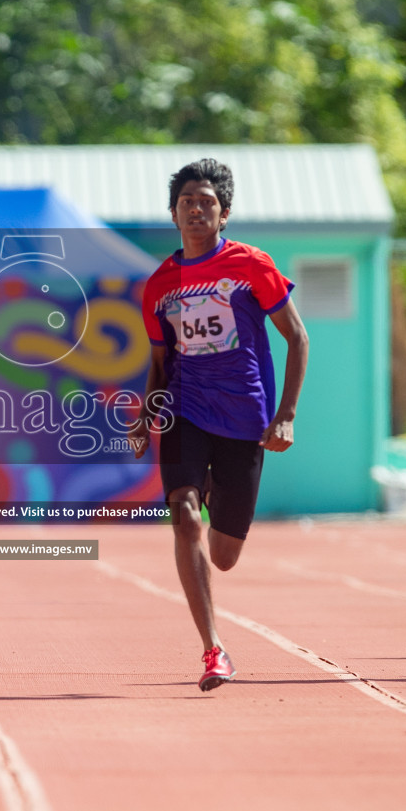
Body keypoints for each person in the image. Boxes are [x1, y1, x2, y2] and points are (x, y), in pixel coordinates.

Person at [130, 158, 309, 691]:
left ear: (223, 213)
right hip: (185, 411)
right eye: (187, 201)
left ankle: (214, 485)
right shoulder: (159, 284)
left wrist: (287, 415)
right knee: (184, 516)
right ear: (173, 213)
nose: (196, 209)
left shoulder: (252, 265)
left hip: (245, 418)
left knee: (225, 556)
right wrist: (147, 414)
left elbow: (296, 338)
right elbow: (161, 363)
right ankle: (213, 649)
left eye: (206, 201)